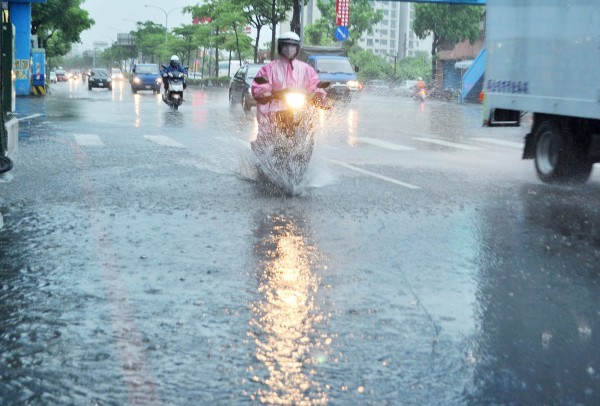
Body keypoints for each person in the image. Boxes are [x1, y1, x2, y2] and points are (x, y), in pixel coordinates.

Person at [251, 31, 327, 151]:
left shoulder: (306, 69)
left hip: (300, 108)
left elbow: (314, 84)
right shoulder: (269, 69)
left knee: (309, 129)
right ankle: (261, 150)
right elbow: (260, 86)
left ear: (297, 48)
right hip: (275, 109)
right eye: (285, 45)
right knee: (266, 132)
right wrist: (263, 92)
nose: (288, 49)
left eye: (292, 46)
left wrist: (319, 94)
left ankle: (305, 150)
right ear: (280, 47)